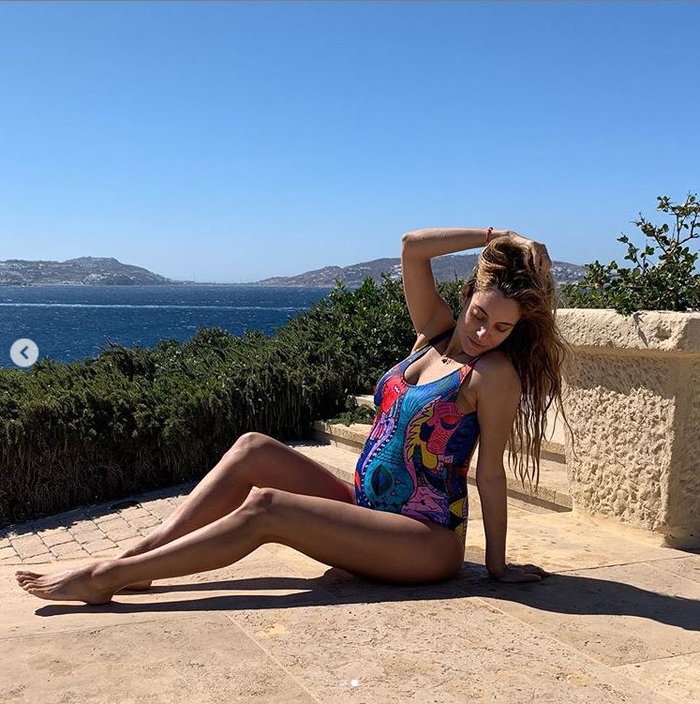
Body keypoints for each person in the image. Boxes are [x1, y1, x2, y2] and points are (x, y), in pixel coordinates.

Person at [16, 227, 568, 605]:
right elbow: (411, 247)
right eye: (479, 315)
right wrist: (499, 235)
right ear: (467, 295)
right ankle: (142, 553)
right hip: (366, 509)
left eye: (502, 328)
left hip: (423, 540)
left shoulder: (492, 375)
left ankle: (108, 576)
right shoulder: (435, 332)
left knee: (268, 508)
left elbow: (489, 475)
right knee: (252, 447)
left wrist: (497, 567)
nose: (483, 333)